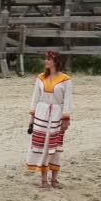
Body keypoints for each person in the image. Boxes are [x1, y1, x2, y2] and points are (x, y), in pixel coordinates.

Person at [25, 51, 73, 189]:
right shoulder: (40, 78)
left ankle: (55, 179)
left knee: (55, 146)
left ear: (56, 61)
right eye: (45, 59)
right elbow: (35, 98)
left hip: (57, 115)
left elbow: (68, 100)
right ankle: (43, 180)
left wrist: (66, 118)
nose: (46, 62)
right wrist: (31, 118)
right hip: (41, 114)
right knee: (41, 146)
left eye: (49, 59)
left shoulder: (66, 80)